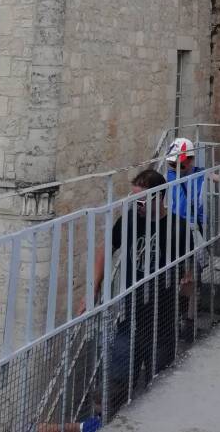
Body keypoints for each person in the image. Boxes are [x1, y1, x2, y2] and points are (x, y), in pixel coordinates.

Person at [81, 169, 193, 397]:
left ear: (159, 197)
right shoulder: (130, 219)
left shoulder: (179, 227)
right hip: (129, 315)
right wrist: (93, 288)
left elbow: (189, 275)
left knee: (159, 388)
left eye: (141, 200)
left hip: (163, 317)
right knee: (113, 387)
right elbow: (106, 249)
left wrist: (186, 290)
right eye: (134, 199)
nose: (136, 204)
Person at [164, 137, 205, 231]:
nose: (176, 168)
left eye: (181, 165)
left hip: (195, 222)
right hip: (175, 221)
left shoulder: (200, 173)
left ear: (191, 159)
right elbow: (155, 183)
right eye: (173, 164)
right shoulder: (170, 174)